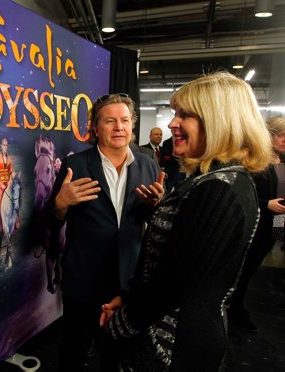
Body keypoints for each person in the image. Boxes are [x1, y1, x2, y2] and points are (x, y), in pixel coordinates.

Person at [100, 72, 273, 371]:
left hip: (171, 346)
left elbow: (174, 282)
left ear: (219, 120)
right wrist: (128, 296)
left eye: (185, 115)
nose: (171, 124)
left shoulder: (219, 188)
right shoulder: (217, 180)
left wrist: (120, 325)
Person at [46, 93, 162, 371]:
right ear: (96, 128)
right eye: (110, 121)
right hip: (84, 280)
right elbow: (51, 223)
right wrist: (60, 204)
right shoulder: (75, 166)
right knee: (74, 353)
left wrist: (157, 206)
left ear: (133, 126)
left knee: (118, 356)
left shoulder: (148, 165)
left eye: (124, 120)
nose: (118, 127)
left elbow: (152, 220)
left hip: (129, 282)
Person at [229, 116, 285, 332]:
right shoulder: (253, 161)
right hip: (256, 223)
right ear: (269, 135)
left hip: (277, 222)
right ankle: (234, 309)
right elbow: (240, 195)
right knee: (244, 268)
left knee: (255, 266)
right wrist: (266, 204)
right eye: (282, 135)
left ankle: (237, 307)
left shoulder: (283, 160)